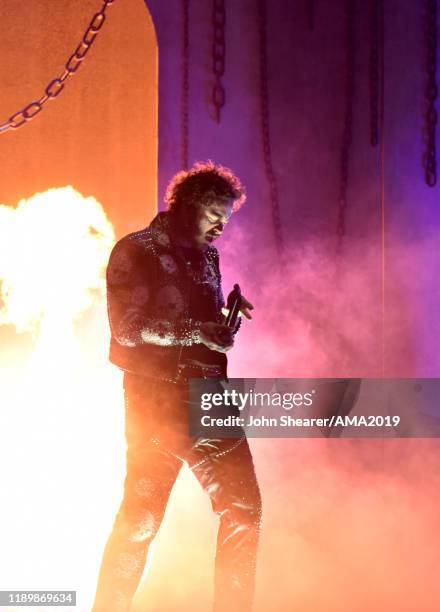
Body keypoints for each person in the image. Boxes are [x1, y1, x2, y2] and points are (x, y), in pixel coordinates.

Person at [92, 161, 262, 612]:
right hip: (155, 404)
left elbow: (202, 328)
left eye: (226, 218)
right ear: (186, 206)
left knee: (245, 510)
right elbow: (127, 330)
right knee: (140, 522)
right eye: (214, 215)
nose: (222, 226)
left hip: (209, 399)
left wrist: (223, 321)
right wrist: (196, 332)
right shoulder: (135, 250)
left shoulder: (208, 254)